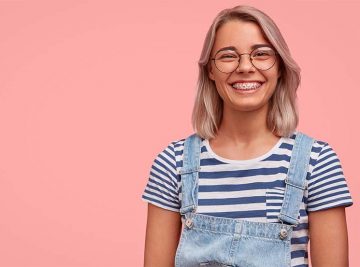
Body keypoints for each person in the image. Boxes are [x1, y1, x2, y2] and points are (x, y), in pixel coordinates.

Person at [141, 5, 353, 267]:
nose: (245, 67)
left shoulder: (317, 161)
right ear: (211, 69)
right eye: (228, 56)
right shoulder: (172, 163)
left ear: (279, 67)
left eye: (261, 54)